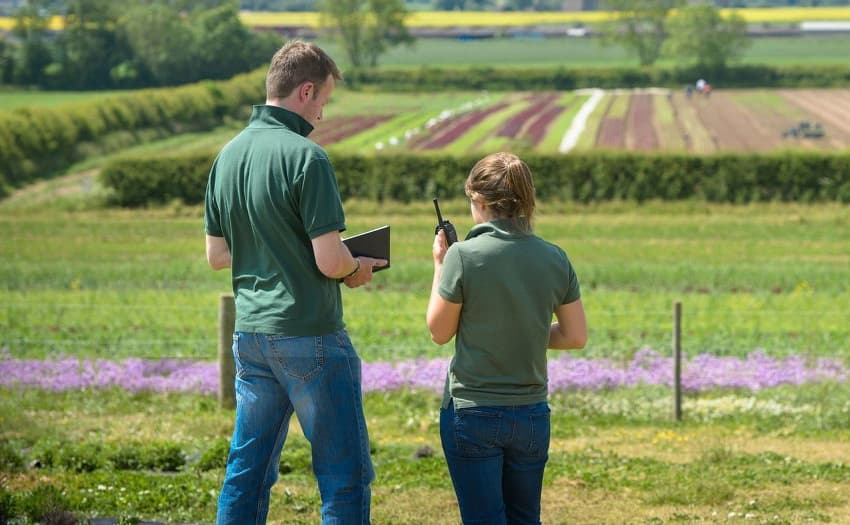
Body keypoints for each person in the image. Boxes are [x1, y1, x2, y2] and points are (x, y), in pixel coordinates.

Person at [204, 40, 386, 524]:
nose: (322, 114)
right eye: (323, 101)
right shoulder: (308, 158)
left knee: (247, 472)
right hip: (309, 333)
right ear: (305, 90)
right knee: (343, 474)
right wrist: (357, 268)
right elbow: (330, 260)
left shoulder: (226, 157)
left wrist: (271, 248)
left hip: (252, 337)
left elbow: (217, 256)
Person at [426, 152, 588, 525]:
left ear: (480, 202)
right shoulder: (555, 258)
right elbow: (575, 335)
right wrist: (524, 328)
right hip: (532, 412)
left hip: (473, 408)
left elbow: (439, 331)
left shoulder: (462, 256)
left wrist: (439, 264)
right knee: (525, 518)